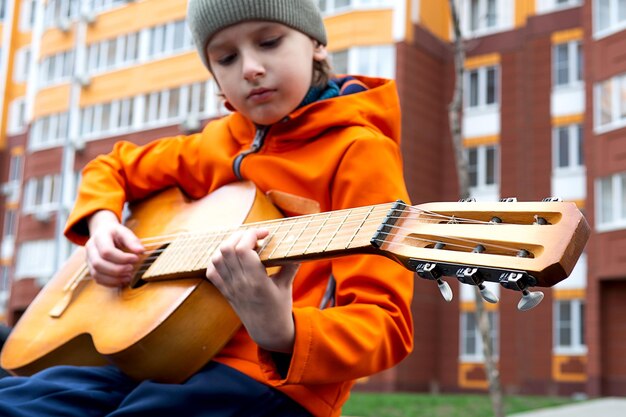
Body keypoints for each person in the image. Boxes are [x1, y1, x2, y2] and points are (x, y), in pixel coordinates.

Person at [0, 0, 414, 416]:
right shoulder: (214, 143)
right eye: (226, 58)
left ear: (316, 44)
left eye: (269, 42)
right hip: (156, 354)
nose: (250, 67)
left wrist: (285, 331)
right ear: (215, 77)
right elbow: (112, 167)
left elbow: (386, 324)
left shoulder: (359, 152)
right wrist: (102, 223)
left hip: (270, 382)